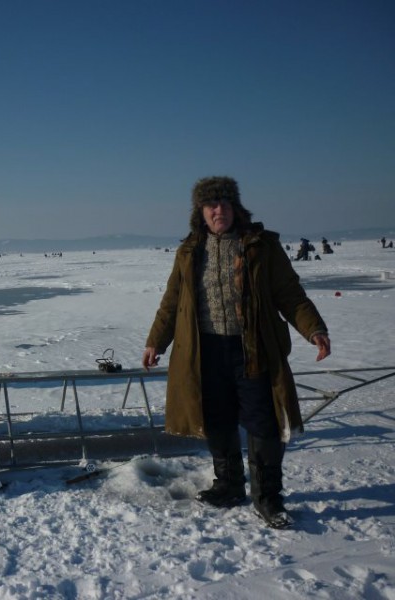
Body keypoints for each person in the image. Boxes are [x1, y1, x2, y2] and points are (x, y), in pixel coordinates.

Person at [141, 176, 331, 529]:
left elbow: (289, 294)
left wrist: (314, 329)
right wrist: (156, 341)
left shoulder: (260, 246)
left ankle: (268, 498)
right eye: (211, 205)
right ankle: (228, 485)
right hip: (205, 351)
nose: (219, 211)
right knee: (216, 419)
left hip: (252, 348)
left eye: (225, 204)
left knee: (264, 422)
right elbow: (171, 302)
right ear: (201, 212)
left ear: (236, 208)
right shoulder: (189, 251)